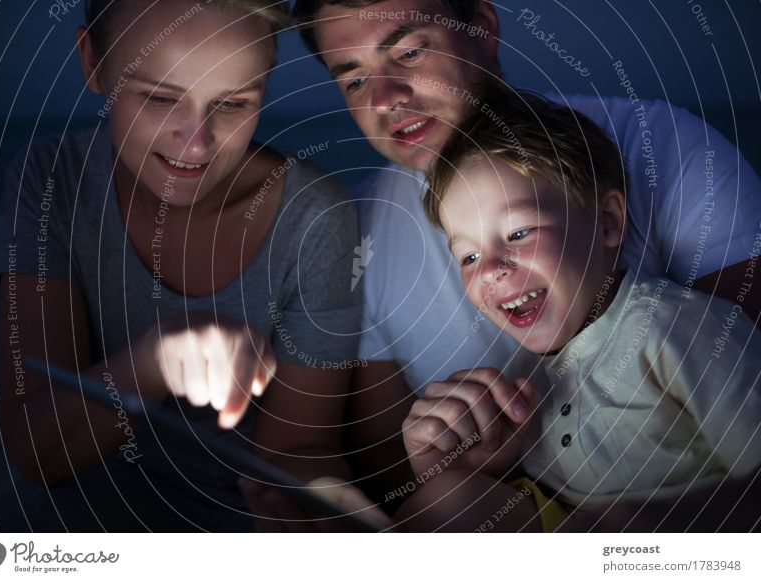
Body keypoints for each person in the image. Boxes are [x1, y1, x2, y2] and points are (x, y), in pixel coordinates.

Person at [292, 0, 761, 509]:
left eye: (408, 52)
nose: (384, 99)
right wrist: (467, 472)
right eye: (355, 80)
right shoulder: (360, 229)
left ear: (483, 28)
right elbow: (384, 469)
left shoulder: (664, 148)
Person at [0, 0, 382, 532]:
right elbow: (38, 454)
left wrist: (327, 514)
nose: (196, 142)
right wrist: (155, 363)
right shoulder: (51, 182)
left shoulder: (314, 216)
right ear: (92, 61)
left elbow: (298, 446)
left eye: (233, 103)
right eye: (158, 98)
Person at [394, 87, 761, 532]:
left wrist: (648, 528)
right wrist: (480, 471)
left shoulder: (680, 331)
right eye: (468, 257)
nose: (489, 269)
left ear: (607, 222)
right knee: (445, 499)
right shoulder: (527, 376)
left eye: (519, 232)